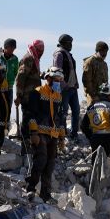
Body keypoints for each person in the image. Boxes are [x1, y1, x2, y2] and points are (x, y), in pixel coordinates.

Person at [25, 66, 66, 203]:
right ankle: (30, 188)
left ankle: (45, 194)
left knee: (50, 165)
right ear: (48, 78)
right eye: (55, 79)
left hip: (53, 135)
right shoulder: (37, 92)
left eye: (59, 80)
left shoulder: (58, 96)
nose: (57, 82)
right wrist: (33, 132)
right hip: (40, 133)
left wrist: (61, 137)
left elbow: (59, 118)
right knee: (40, 160)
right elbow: (30, 114)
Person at [14, 39, 45, 153]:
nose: (41, 53)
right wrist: (19, 95)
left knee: (34, 121)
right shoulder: (28, 58)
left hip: (35, 96)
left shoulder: (34, 59)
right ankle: (25, 149)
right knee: (27, 121)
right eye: (40, 50)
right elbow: (20, 78)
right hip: (27, 96)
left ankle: (32, 146)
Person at [52, 34, 80, 139]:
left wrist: (76, 82)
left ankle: (74, 133)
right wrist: (64, 85)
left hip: (72, 88)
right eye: (69, 43)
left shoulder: (68, 54)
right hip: (64, 89)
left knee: (76, 110)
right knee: (63, 112)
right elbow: (57, 71)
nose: (71, 45)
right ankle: (62, 134)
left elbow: (72, 70)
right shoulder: (59, 54)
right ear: (64, 43)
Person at [81, 41, 109, 105]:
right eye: (103, 51)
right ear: (98, 51)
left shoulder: (104, 64)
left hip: (102, 96)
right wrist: (93, 95)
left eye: (106, 52)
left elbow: (106, 81)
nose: (105, 54)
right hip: (93, 97)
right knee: (92, 113)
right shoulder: (89, 62)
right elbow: (86, 81)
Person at [2, 38, 19, 105]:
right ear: (6, 46)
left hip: (9, 88)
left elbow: (16, 73)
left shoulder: (15, 59)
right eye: (11, 47)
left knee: (8, 108)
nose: (13, 50)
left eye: (14, 48)